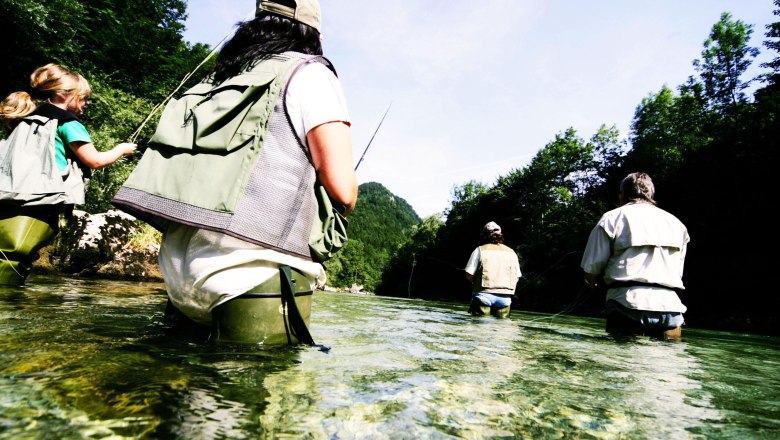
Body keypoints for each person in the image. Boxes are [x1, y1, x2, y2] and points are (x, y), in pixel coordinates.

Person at [112, 0, 357, 344]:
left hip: (178, 268)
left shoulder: (221, 76)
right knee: (255, 390)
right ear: (312, 31)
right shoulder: (311, 73)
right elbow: (343, 188)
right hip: (254, 272)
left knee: (173, 384)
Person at [0, 63, 137, 285]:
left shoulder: (24, 117)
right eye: (83, 97)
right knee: (18, 255)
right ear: (64, 94)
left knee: (6, 251)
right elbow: (95, 161)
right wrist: (122, 149)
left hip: (8, 195)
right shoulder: (67, 123)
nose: (87, 103)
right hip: (41, 200)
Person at [581, 172, 689, 340]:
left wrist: (590, 281)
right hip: (670, 307)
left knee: (622, 363)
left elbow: (591, 268)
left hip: (626, 304)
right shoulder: (677, 224)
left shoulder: (611, 218)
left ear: (622, 194)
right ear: (650, 194)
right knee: (669, 364)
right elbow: (678, 270)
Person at [464, 221, 522, 318]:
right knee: (501, 329)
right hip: (505, 299)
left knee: (479, 329)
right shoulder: (511, 252)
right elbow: (517, 277)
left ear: (485, 235)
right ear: (501, 235)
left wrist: (475, 282)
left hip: (483, 296)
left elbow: (468, 275)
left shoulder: (479, 250)